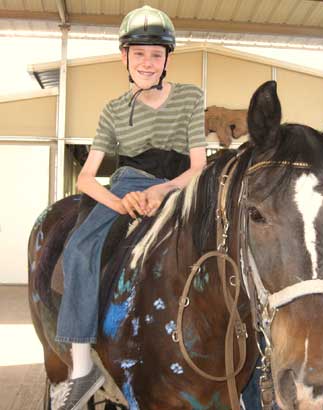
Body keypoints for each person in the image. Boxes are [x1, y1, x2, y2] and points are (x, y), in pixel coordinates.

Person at [55, 5, 207, 410]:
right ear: (124, 57)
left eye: (156, 54)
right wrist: (121, 202)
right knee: (79, 248)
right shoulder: (113, 110)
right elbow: (86, 178)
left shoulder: (191, 97)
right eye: (138, 53)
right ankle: (82, 365)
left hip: (178, 185)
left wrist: (163, 192)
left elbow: (198, 166)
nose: (147, 62)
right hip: (125, 185)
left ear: (166, 60)